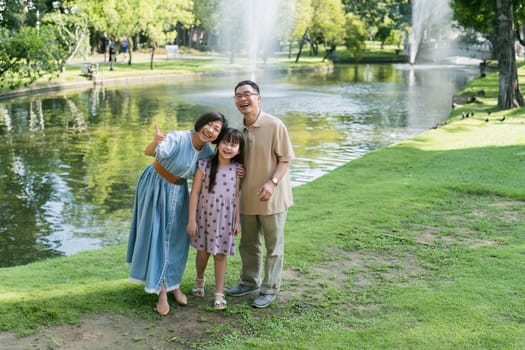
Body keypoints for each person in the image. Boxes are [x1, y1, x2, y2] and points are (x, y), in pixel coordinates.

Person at [126, 112, 228, 316]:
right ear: (200, 123)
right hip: (156, 185)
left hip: (179, 191)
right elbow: (149, 152)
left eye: (216, 129)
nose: (210, 130)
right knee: (158, 235)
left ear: (218, 136)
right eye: (208, 124)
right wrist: (154, 142)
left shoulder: (206, 153)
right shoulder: (178, 138)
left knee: (179, 238)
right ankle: (161, 290)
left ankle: (174, 284)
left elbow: (217, 169)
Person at [227, 80, 295, 308]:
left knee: (273, 246)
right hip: (247, 197)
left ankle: (269, 288)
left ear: (259, 98)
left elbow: (285, 159)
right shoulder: (239, 131)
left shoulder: (275, 125)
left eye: (247, 94)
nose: (242, 99)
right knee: (248, 244)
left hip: (272, 198)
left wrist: (272, 182)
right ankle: (249, 282)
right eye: (238, 96)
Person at [187, 128, 244, 310]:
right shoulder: (204, 165)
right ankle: (199, 278)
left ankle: (219, 293)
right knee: (203, 252)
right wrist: (191, 219)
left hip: (225, 218)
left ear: (239, 150)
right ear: (218, 144)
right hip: (205, 216)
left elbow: (236, 197)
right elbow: (195, 193)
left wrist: (237, 221)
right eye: (225, 142)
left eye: (233, 145)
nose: (228, 147)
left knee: (220, 254)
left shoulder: (237, 170)